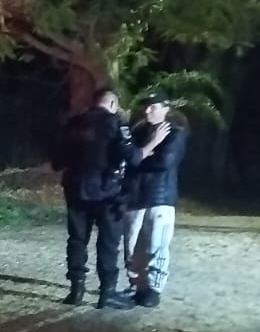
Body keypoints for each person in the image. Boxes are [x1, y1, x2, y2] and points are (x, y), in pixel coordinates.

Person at [52, 86, 134, 309]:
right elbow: (132, 157)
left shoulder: (74, 123)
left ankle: (76, 290)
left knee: (77, 239)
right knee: (108, 242)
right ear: (112, 104)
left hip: (76, 189)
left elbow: (57, 160)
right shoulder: (117, 123)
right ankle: (106, 292)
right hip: (108, 192)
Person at [120, 91, 183, 308]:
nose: (148, 110)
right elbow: (127, 159)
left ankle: (154, 289)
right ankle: (138, 286)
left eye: (153, 106)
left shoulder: (175, 133)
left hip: (159, 197)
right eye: (147, 106)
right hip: (135, 197)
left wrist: (141, 155)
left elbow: (163, 162)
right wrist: (146, 151)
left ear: (166, 109)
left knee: (157, 245)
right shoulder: (137, 131)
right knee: (132, 246)